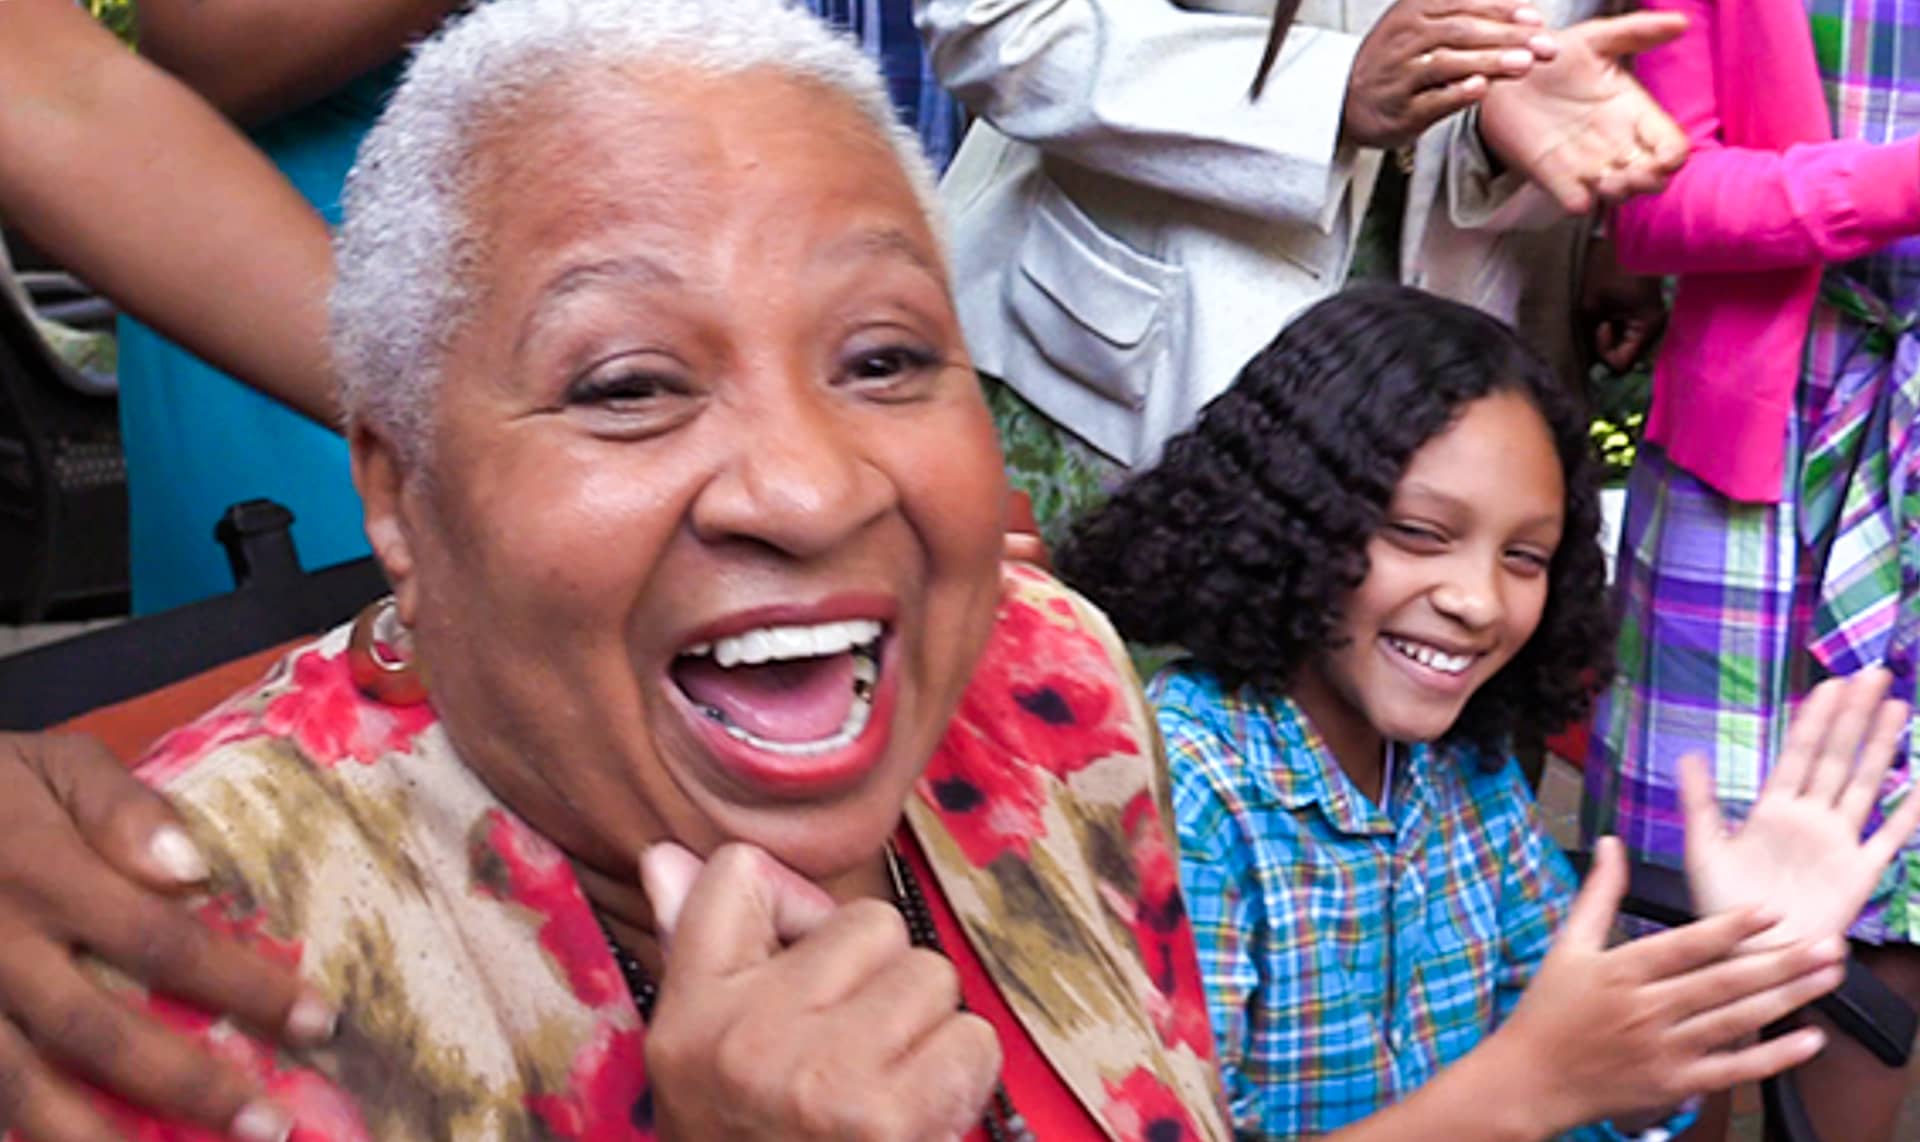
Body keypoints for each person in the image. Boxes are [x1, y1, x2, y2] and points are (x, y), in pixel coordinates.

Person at [0, 4, 1859, 1141]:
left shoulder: (1046, 684)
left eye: (889, 358)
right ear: (400, 493)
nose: (814, 484)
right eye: (629, 382)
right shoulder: (159, 981)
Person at [1058, 286, 1920, 1139]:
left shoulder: (1470, 774)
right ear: (1294, 519)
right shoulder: (1186, 797)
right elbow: (1539, 1084)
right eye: (1420, 533)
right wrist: (1527, 1087)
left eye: (1524, 556)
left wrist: (1728, 977)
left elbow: (1590, 1095)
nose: (1477, 600)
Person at [916, 0, 1691, 541]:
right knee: (1108, 749)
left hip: (1466, 380)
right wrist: (1329, 91)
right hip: (1122, 379)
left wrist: (1595, 219)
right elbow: (994, 26)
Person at [1579, 2, 1920, 1137]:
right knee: (1684, 908)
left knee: (1893, 918)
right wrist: (1898, 187)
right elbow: (1654, 201)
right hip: (1748, 456)